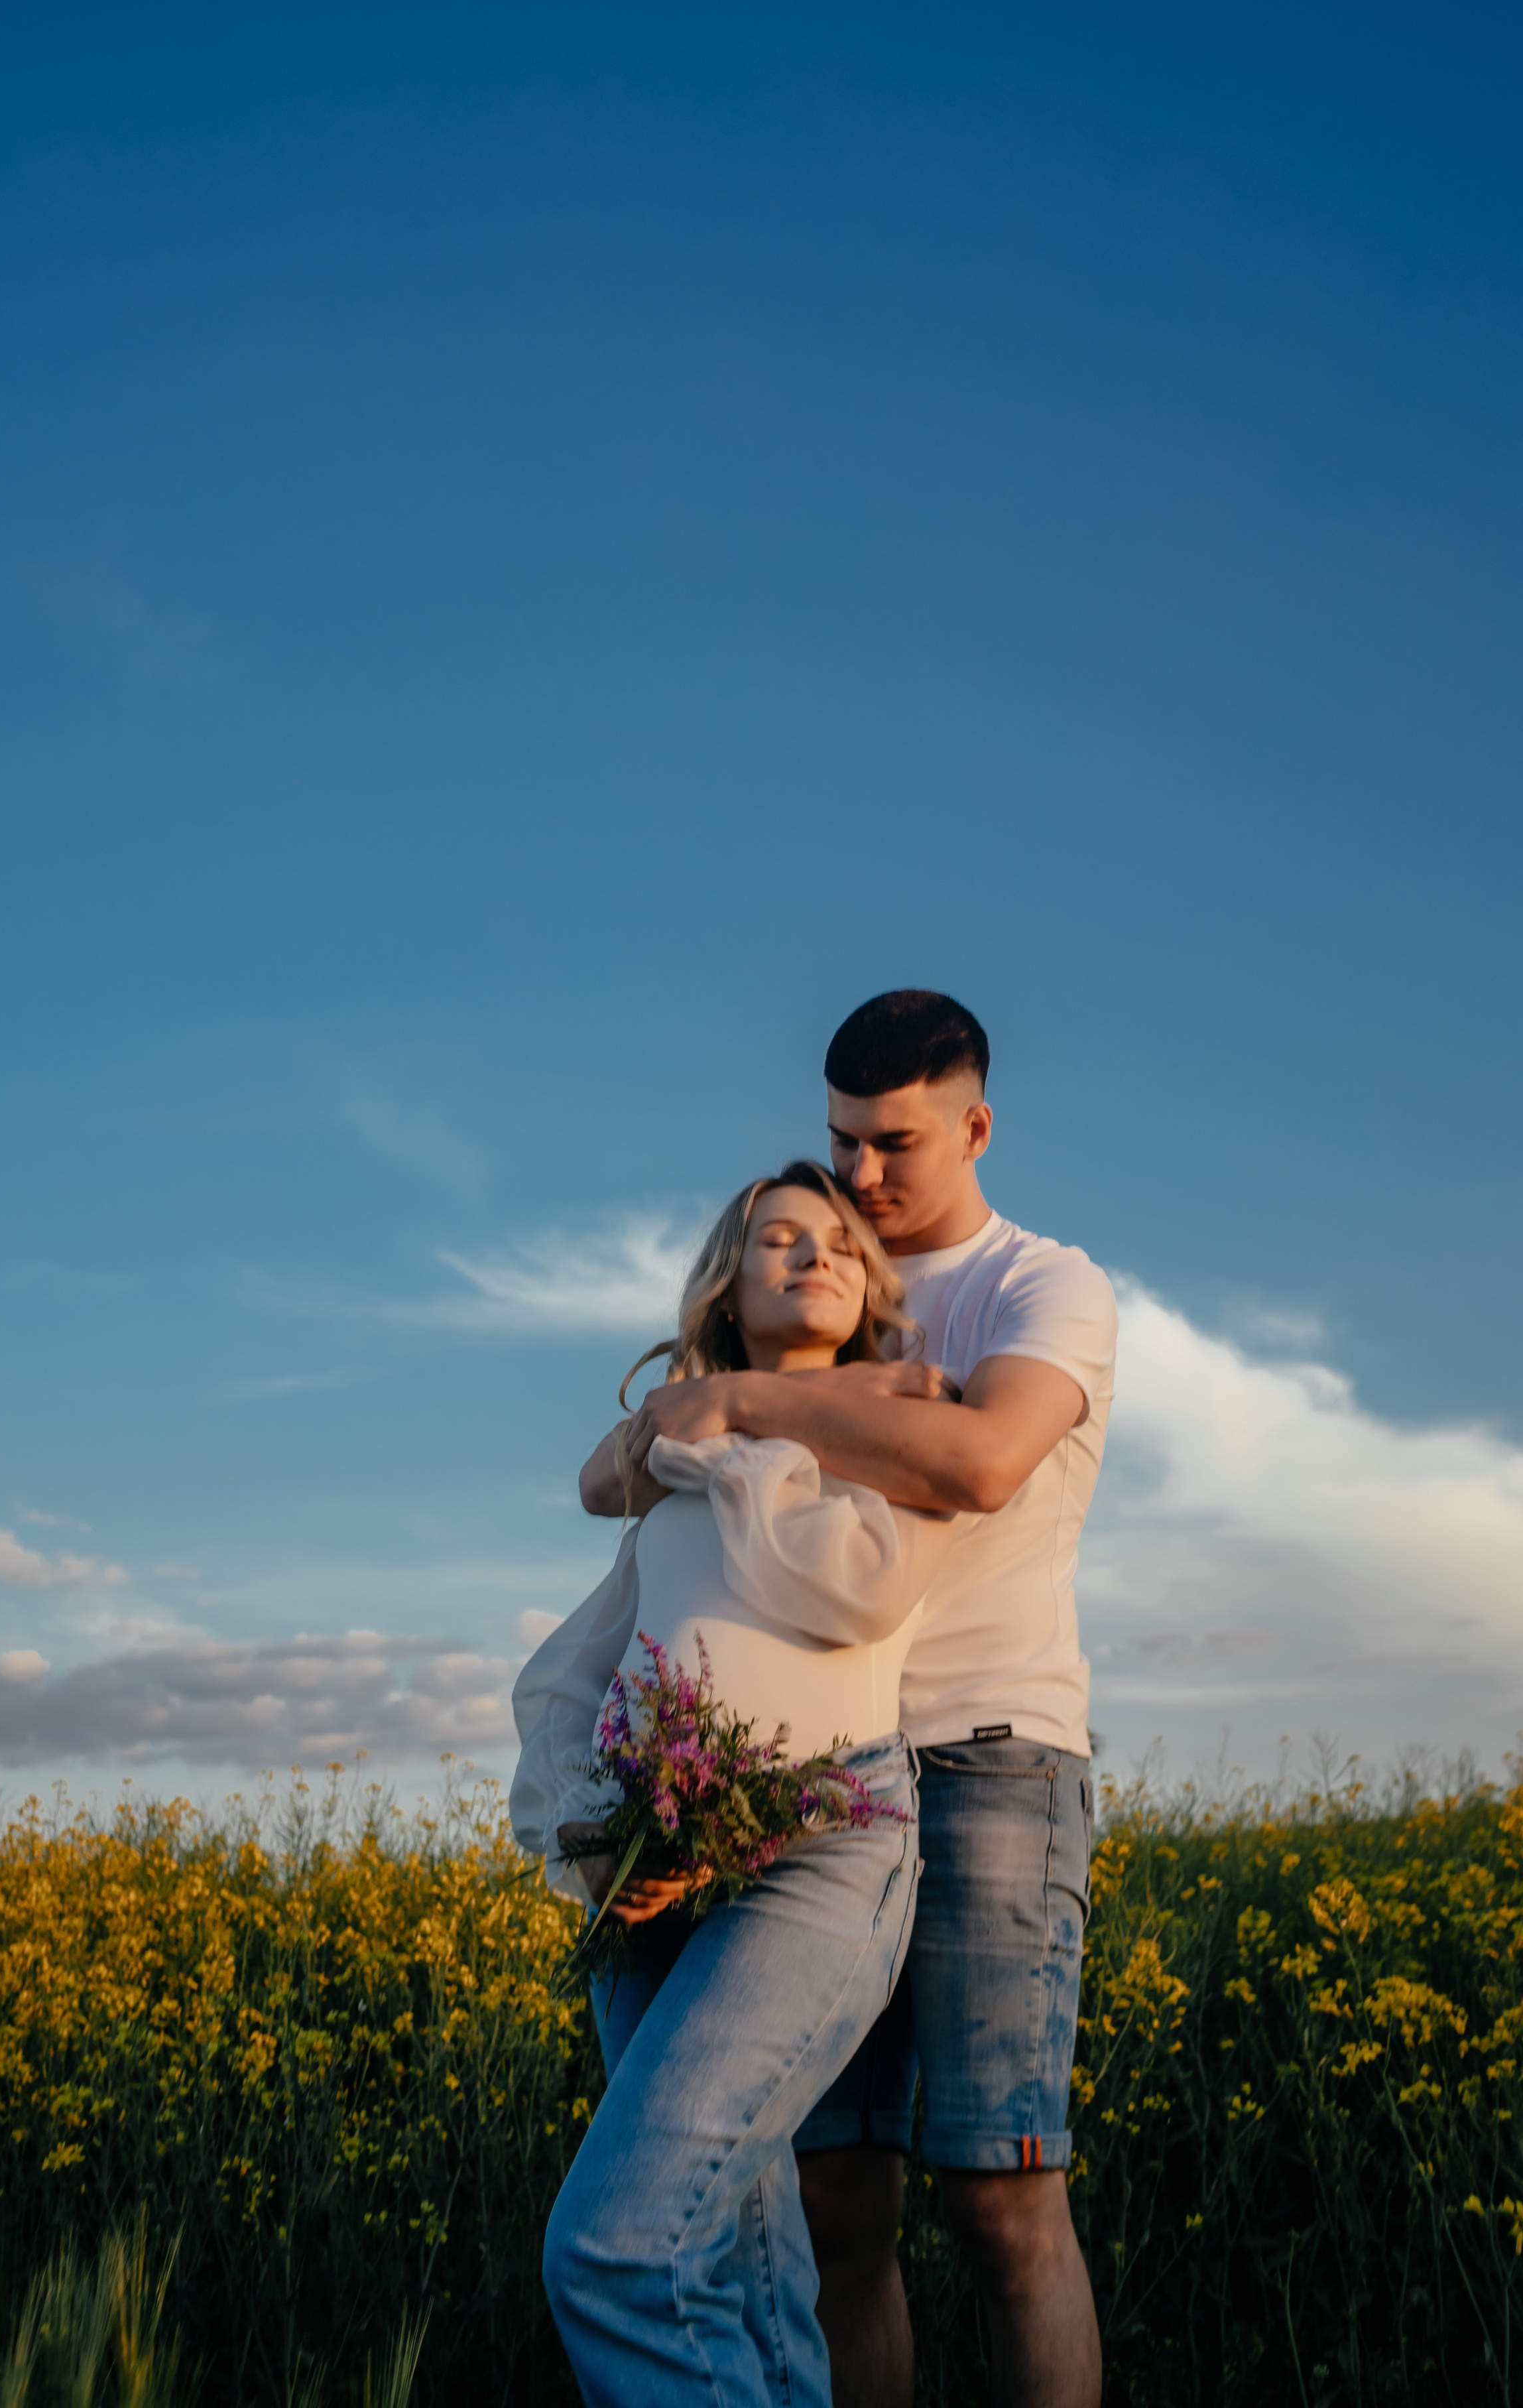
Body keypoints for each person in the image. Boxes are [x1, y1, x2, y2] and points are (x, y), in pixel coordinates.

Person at [605, 990, 1117, 2408]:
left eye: (893, 1145)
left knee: (1002, 2204)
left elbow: (977, 1462)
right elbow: (630, 1471)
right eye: (841, 1144)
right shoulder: (831, 1280)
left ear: (975, 1125)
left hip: (988, 1754)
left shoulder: (1040, 1288)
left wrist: (746, 1405)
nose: (863, 1179)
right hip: (816, 1778)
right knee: (833, 2198)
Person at [512, 1162, 955, 2408]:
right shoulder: (671, 1462)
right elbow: (586, 1619)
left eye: (840, 1244)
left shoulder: (903, 1414)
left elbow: (857, 1589)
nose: (813, 1254)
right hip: (653, 1861)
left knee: (620, 2249)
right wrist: (601, 1830)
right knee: (733, 2268)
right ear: (726, 1279)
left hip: (822, 1837)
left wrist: (742, 1419)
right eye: (777, 1238)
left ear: (871, 1287)